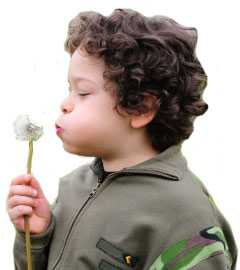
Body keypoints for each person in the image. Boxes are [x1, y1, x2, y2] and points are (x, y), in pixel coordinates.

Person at [6, 8, 238, 270]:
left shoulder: (184, 215)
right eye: (69, 89)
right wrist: (37, 238)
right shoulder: (74, 187)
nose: (64, 105)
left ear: (140, 108)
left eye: (82, 92)